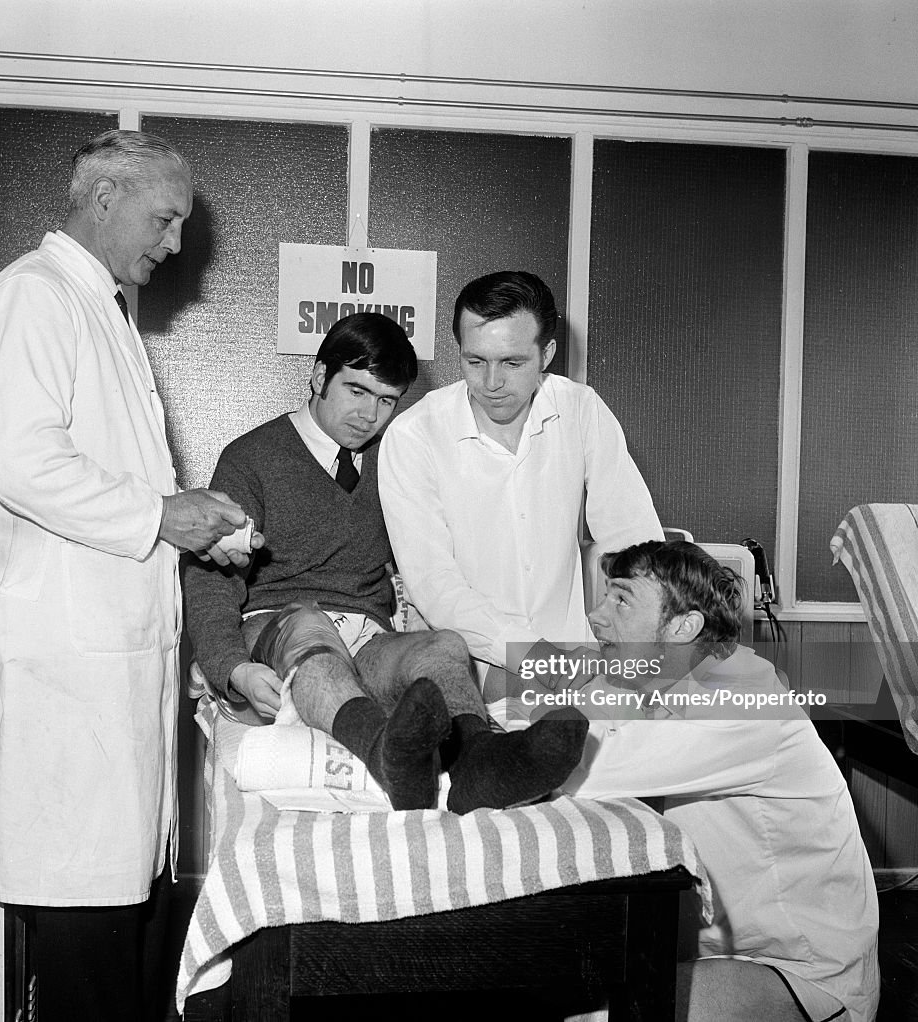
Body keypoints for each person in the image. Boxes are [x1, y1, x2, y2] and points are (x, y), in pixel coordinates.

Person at [0, 129, 260, 1022]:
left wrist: (185, 526)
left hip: (114, 660)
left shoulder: (100, 308)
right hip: (74, 662)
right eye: (164, 220)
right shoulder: (32, 299)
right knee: (82, 941)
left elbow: (103, 479)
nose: (173, 244)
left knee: (117, 926)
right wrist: (162, 516)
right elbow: (23, 463)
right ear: (102, 199)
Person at [183, 312, 587, 815]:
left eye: (386, 401)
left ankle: (478, 763)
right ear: (318, 376)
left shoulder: (394, 458)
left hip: (367, 633)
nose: (369, 415)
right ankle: (384, 753)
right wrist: (232, 670)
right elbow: (208, 583)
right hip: (278, 626)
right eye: (356, 391)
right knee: (311, 629)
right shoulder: (251, 457)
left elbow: (429, 566)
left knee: (445, 644)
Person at [562, 540, 879, 1022]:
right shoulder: (642, 680)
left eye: (621, 599)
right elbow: (555, 734)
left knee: (595, 1017)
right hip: (713, 952)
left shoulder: (741, 697)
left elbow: (579, 771)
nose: (595, 615)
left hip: (803, 971)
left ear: (683, 626)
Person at [378, 270, 664, 695]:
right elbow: (434, 583)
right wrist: (534, 657)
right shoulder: (413, 435)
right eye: (475, 362)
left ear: (546, 353)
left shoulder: (581, 410)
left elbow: (633, 543)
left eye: (512, 363)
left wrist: (626, 644)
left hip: (583, 658)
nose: (491, 384)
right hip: (474, 666)